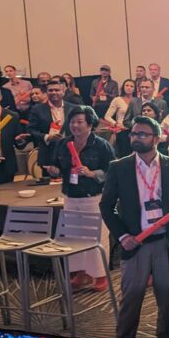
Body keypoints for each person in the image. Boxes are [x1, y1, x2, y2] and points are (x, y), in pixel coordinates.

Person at [100, 116, 169, 338]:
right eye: (133, 134)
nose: (135, 138)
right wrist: (122, 236)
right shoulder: (119, 167)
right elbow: (106, 207)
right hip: (135, 244)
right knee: (130, 300)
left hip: (166, 243)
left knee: (166, 300)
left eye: (142, 134)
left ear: (157, 139)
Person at [45, 106, 115, 292]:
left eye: (79, 122)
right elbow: (58, 165)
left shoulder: (101, 145)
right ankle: (79, 273)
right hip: (70, 195)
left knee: (97, 236)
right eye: (72, 122)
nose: (75, 125)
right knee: (74, 236)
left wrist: (92, 173)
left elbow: (113, 171)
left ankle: (100, 275)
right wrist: (55, 170)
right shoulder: (63, 143)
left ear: (90, 124)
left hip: (93, 197)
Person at [28, 78, 78, 171]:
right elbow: (31, 130)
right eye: (50, 90)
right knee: (49, 185)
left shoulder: (73, 108)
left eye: (57, 90)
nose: (53, 92)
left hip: (71, 151)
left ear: (63, 91)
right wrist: (47, 137)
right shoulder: (37, 109)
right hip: (48, 153)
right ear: (46, 92)